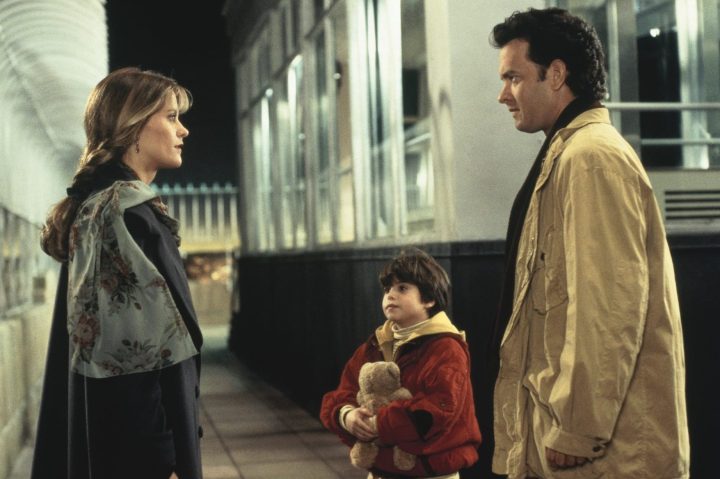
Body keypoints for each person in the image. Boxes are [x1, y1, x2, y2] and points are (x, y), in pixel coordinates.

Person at [489, 8, 689, 479]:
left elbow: (608, 307)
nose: (502, 95)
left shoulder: (590, 157)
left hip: (600, 457)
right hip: (575, 447)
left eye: (513, 78)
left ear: (556, 74)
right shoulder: (568, 153)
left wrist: (578, 428)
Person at [32, 67, 204, 479]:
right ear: (132, 128)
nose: (184, 131)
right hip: (139, 455)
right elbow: (133, 360)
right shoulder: (123, 217)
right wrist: (165, 458)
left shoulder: (105, 208)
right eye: (171, 117)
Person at [321, 247, 482, 479]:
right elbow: (344, 391)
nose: (390, 295)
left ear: (428, 299)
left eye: (402, 288)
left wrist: (378, 425)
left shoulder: (446, 347)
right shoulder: (376, 345)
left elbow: (438, 410)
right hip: (383, 470)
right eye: (387, 289)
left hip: (431, 472)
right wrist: (348, 417)